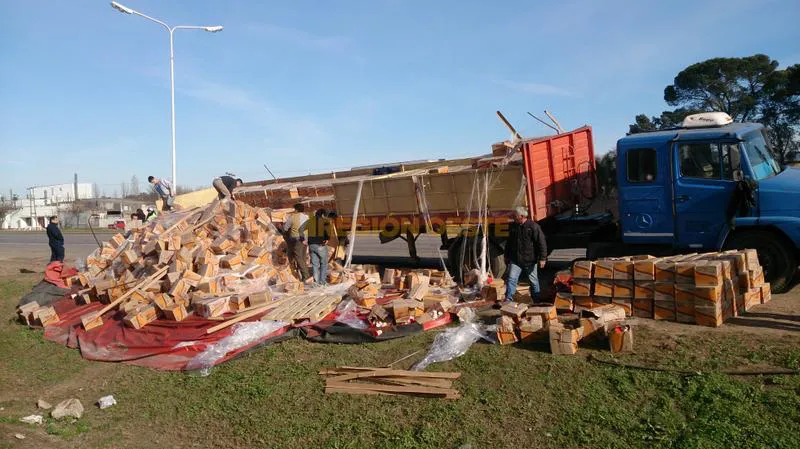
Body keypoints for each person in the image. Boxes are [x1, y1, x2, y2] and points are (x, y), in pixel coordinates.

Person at [504, 206, 547, 302]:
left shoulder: (533, 227)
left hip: (530, 260)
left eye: (515, 216)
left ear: (522, 216)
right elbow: (509, 243)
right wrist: (506, 256)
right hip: (516, 260)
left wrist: (543, 258)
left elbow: (541, 243)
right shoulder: (514, 227)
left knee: (533, 281)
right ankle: (508, 299)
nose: (514, 218)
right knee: (511, 279)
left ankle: (537, 300)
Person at [282, 203, 311, 281]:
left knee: (298, 257)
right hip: (306, 240)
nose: (294, 211)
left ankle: (306, 276)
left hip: (298, 239)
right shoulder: (306, 217)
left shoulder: (293, 217)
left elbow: (285, 228)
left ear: (296, 209)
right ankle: (305, 275)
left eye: (294, 209)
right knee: (303, 257)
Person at [307, 209, 332, 285]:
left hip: (311, 245)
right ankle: (322, 282)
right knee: (324, 264)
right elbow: (327, 232)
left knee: (315, 265)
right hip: (319, 245)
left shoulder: (310, 221)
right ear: (323, 215)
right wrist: (327, 239)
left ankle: (316, 283)